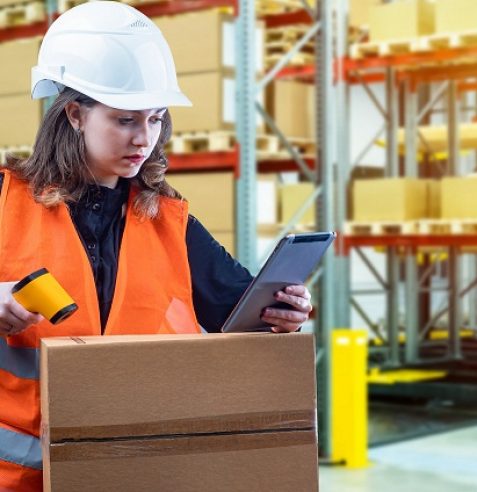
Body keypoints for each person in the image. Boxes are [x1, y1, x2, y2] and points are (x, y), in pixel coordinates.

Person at [0, 2, 313, 490]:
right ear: (75, 114)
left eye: (156, 118)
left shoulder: (170, 222)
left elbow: (242, 313)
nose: (144, 138)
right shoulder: (5, 202)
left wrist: (285, 312)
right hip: (21, 480)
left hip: (136, 472)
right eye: (126, 119)